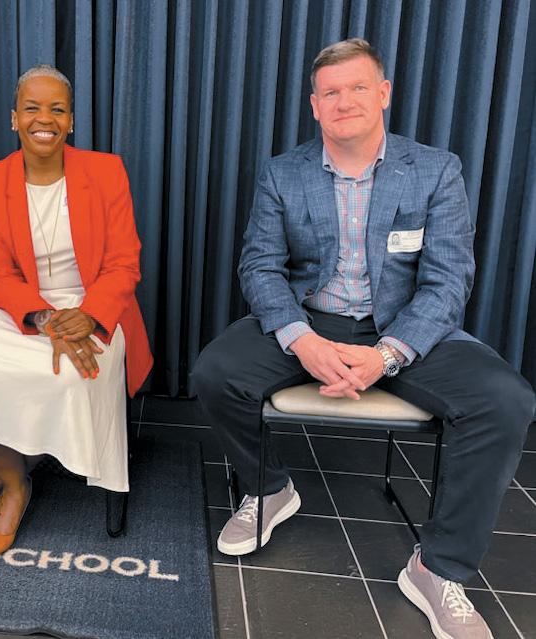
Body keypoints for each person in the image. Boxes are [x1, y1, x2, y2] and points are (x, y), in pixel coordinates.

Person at [191, 38, 534, 639]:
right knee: (215, 374)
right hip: (312, 320)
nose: (344, 101)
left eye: (357, 87)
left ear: (383, 94)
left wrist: (386, 354)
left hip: (405, 327)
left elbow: (449, 280)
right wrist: (303, 341)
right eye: (330, 92)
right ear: (314, 106)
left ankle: (437, 567)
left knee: (506, 400)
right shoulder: (283, 172)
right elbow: (260, 268)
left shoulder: (435, 169)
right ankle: (269, 489)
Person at [0, 64, 152, 557]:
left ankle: (6, 471)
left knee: (69, 376)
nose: (45, 119)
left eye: (57, 109)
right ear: (14, 118)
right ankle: (15, 484)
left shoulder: (106, 172)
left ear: (71, 121)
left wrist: (89, 315)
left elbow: (124, 264)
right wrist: (45, 319)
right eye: (32, 108)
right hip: (14, 305)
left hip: (95, 304)